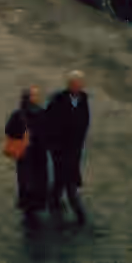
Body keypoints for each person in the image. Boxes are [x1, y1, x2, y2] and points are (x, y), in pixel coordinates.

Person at [44, 70, 91, 226]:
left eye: (80, 84)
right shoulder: (58, 100)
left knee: (60, 180)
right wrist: (54, 145)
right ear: (70, 85)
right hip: (61, 150)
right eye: (76, 84)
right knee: (69, 183)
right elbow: (49, 122)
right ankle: (80, 217)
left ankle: (53, 201)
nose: (79, 87)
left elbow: (85, 120)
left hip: (74, 149)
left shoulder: (83, 99)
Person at [4, 86, 50, 231]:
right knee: (37, 180)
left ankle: (28, 209)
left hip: (25, 154)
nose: (38, 97)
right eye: (35, 95)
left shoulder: (18, 114)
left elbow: (9, 130)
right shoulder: (42, 113)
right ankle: (34, 208)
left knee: (26, 181)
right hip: (37, 153)